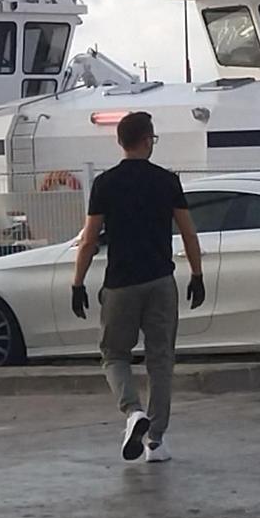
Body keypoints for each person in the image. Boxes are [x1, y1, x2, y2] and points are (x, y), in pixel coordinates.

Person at [70, 110, 204, 463]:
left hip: (121, 284)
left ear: (121, 142)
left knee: (114, 355)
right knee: (161, 360)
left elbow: (88, 239)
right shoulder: (166, 182)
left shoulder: (105, 184)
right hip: (160, 281)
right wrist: (197, 274)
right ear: (147, 139)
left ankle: (133, 413)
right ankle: (156, 441)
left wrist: (78, 282)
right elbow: (188, 232)